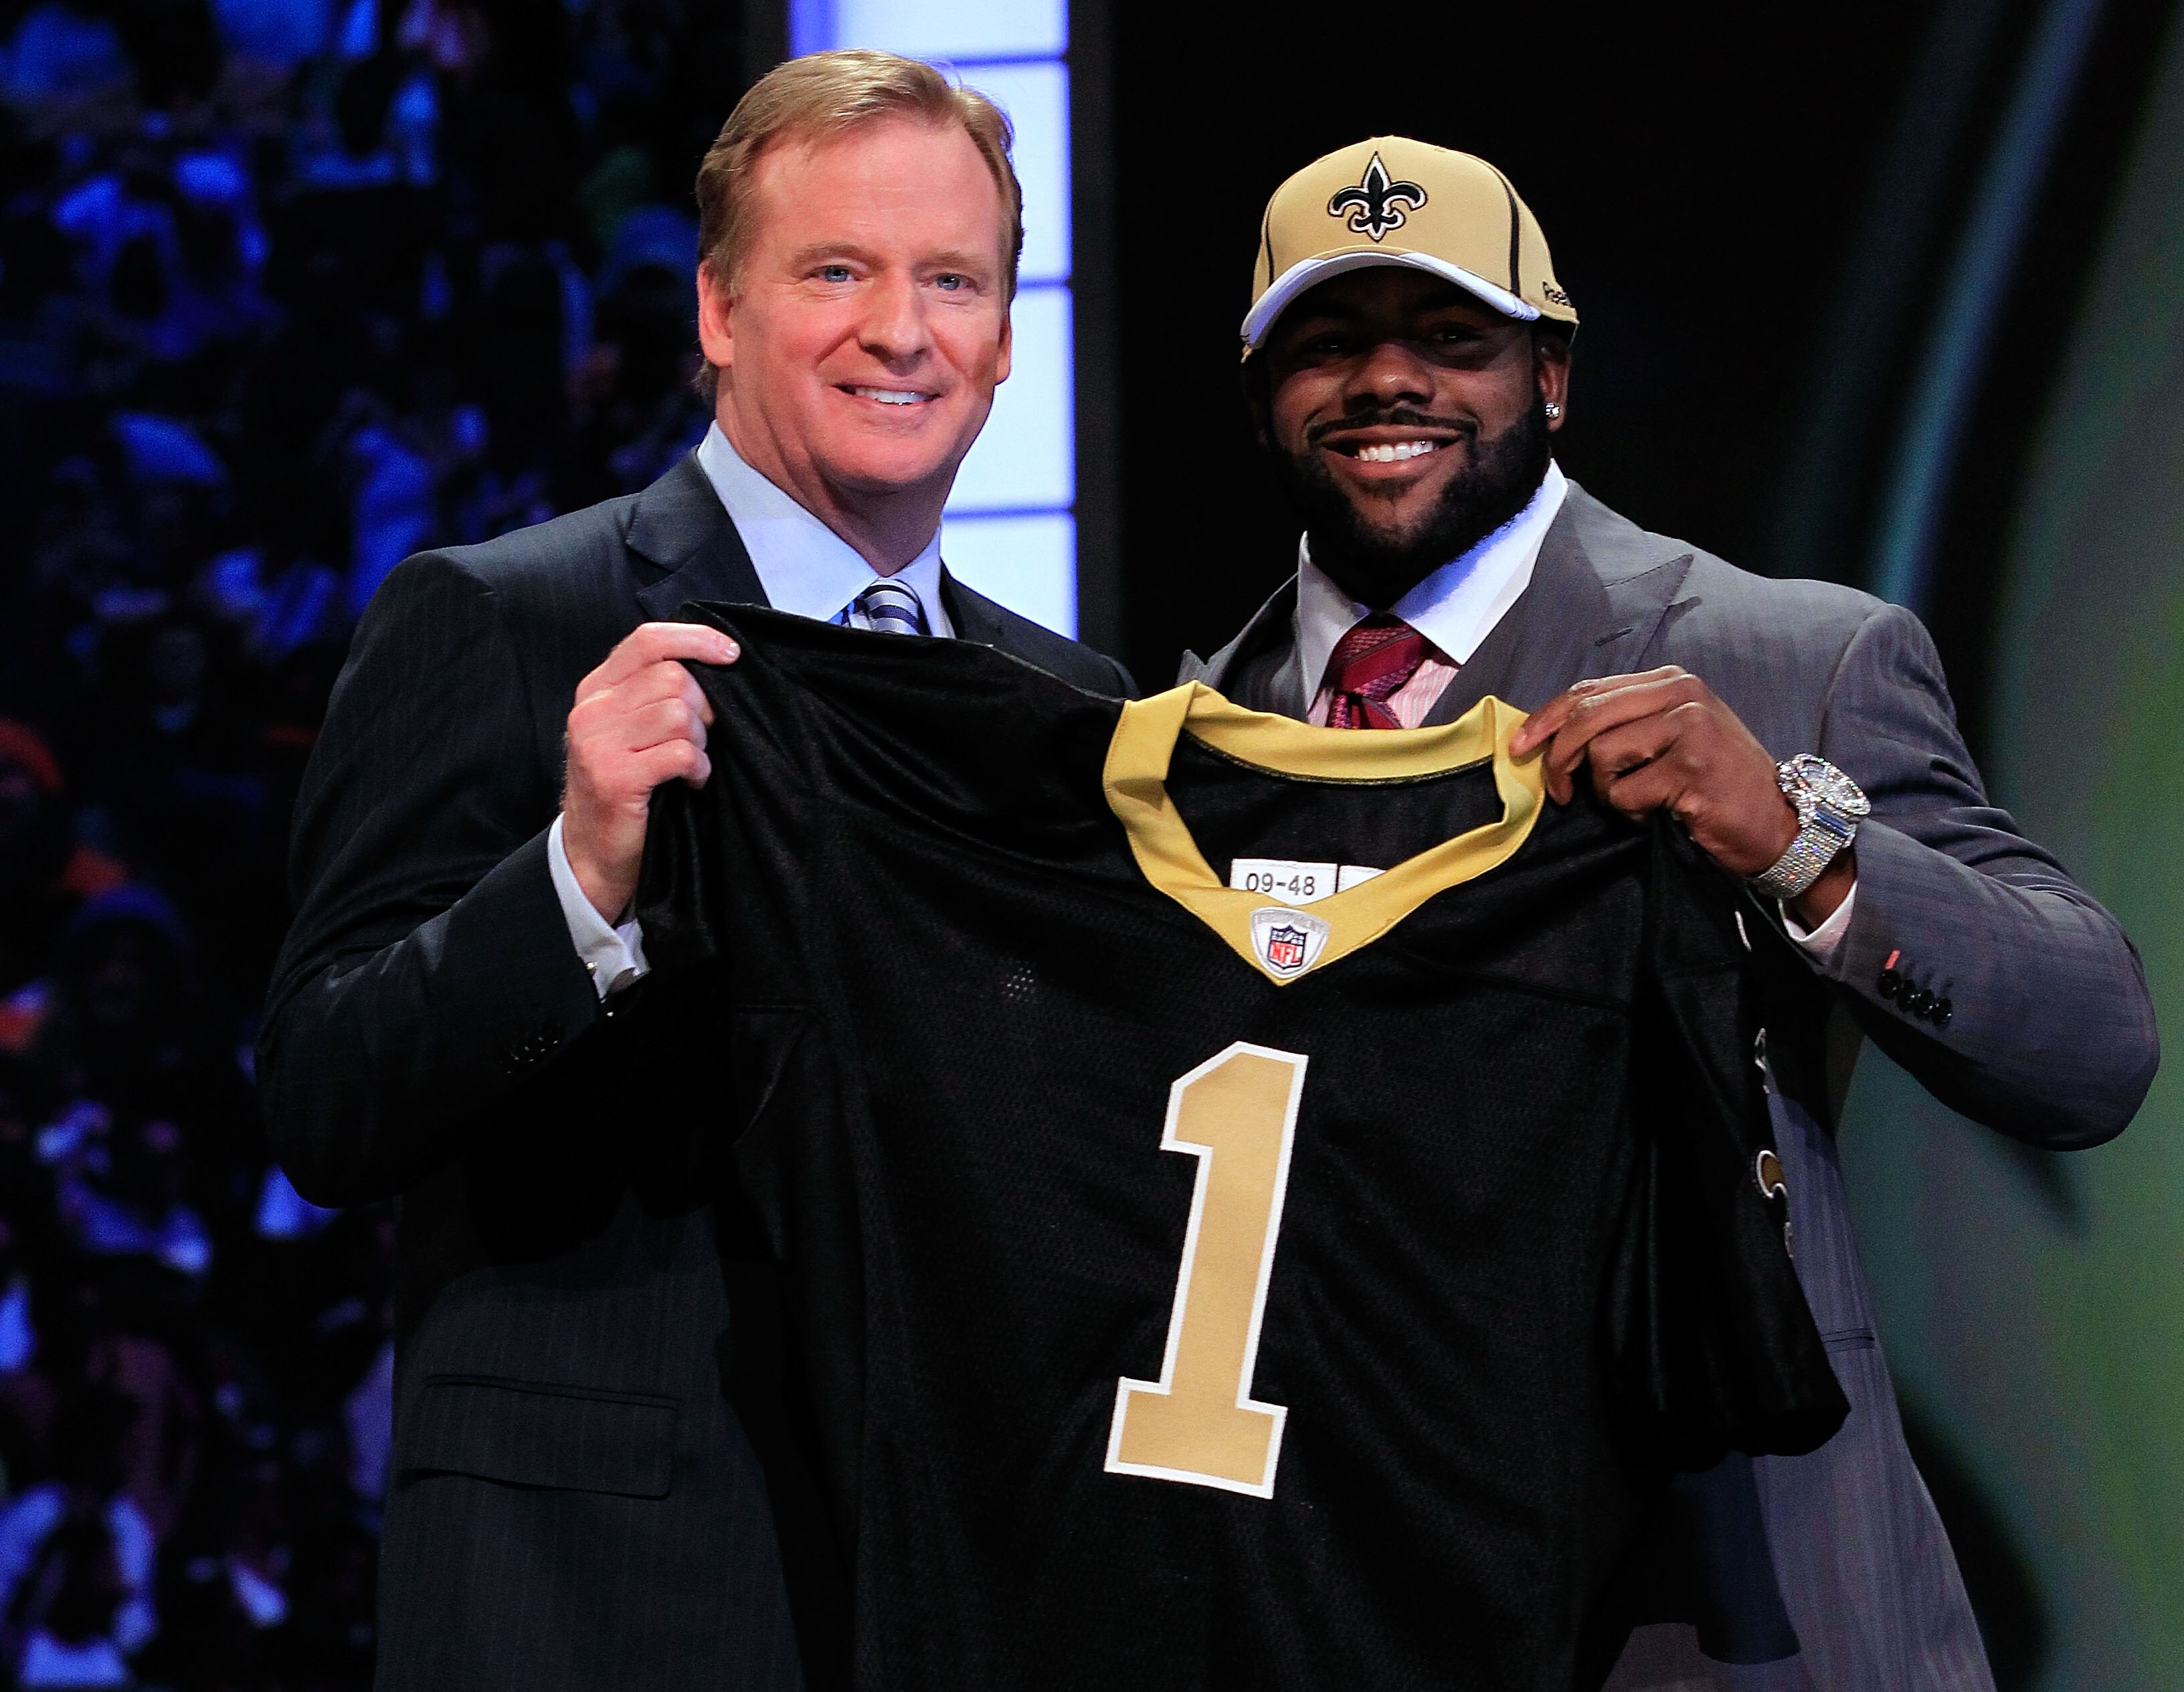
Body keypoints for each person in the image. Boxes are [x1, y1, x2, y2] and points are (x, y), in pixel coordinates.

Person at [1181, 136, 2157, 1691]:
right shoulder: (1184, 745)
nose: (1387, 385)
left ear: (1550, 377)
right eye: (1329, 341)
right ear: (1258, 394)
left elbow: (2092, 1045)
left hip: (1727, 1611)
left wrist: (1796, 843)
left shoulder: (1790, 661)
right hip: (1344, 1603)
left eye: (1450, 338)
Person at [258, 50, 1130, 1692]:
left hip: (965, 1591)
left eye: (952, 279)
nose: (901, 330)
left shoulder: (1074, 712)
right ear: (719, 311)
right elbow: (324, 1096)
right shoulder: (504, 620)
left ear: (1009, 336)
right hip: (590, 1598)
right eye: (837, 272)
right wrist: (577, 878)